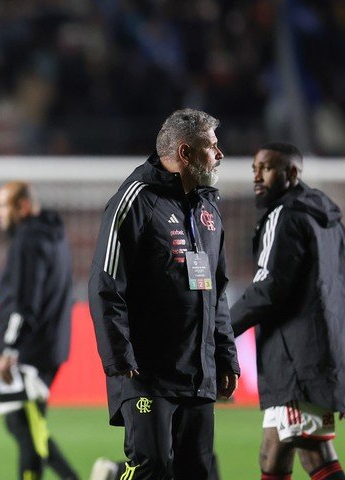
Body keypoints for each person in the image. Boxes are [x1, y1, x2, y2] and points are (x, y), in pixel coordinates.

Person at [87, 108, 240, 479]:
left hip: (197, 372)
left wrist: (225, 355)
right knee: (152, 468)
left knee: (197, 472)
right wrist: (120, 356)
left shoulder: (208, 208)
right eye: (212, 147)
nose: (220, 154)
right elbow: (105, 284)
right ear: (186, 153)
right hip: (146, 371)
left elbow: (215, 291)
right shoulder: (136, 199)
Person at [230, 142, 345, 480]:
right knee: (275, 454)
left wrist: (219, 328)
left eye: (265, 168)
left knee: (311, 453)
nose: (256, 176)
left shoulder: (285, 215)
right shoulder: (328, 221)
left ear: (291, 173)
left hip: (297, 361)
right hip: (312, 357)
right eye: (254, 168)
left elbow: (268, 289)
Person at [0, 181, 78, 480]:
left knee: (24, 427)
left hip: (30, 351)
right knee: (29, 425)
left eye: (4, 206)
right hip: (49, 346)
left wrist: (10, 349)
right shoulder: (54, 235)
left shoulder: (29, 240)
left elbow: (26, 300)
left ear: (23, 207)